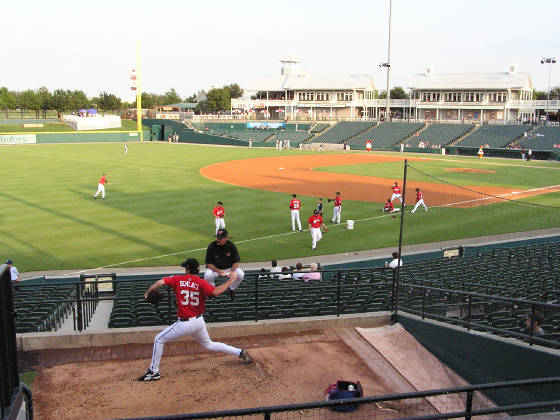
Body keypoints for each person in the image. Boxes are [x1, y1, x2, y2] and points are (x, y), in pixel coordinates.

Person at [138, 258, 252, 381]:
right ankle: (240, 352)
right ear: (197, 270)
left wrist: (149, 291)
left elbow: (160, 282)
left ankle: (153, 371)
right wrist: (231, 281)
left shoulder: (178, 279)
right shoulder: (201, 282)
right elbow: (215, 292)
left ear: (187, 269)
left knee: (159, 339)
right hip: (199, 322)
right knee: (209, 345)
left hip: (185, 324)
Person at [204, 229, 244, 301]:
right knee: (208, 275)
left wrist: (232, 271)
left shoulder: (231, 246)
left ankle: (231, 289)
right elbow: (209, 264)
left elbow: (236, 262)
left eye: (220, 238)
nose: (218, 239)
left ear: (225, 238)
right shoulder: (211, 246)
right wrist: (218, 270)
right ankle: (212, 291)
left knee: (241, 274)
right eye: (217, 237)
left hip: (229, 269)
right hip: (215, 270)